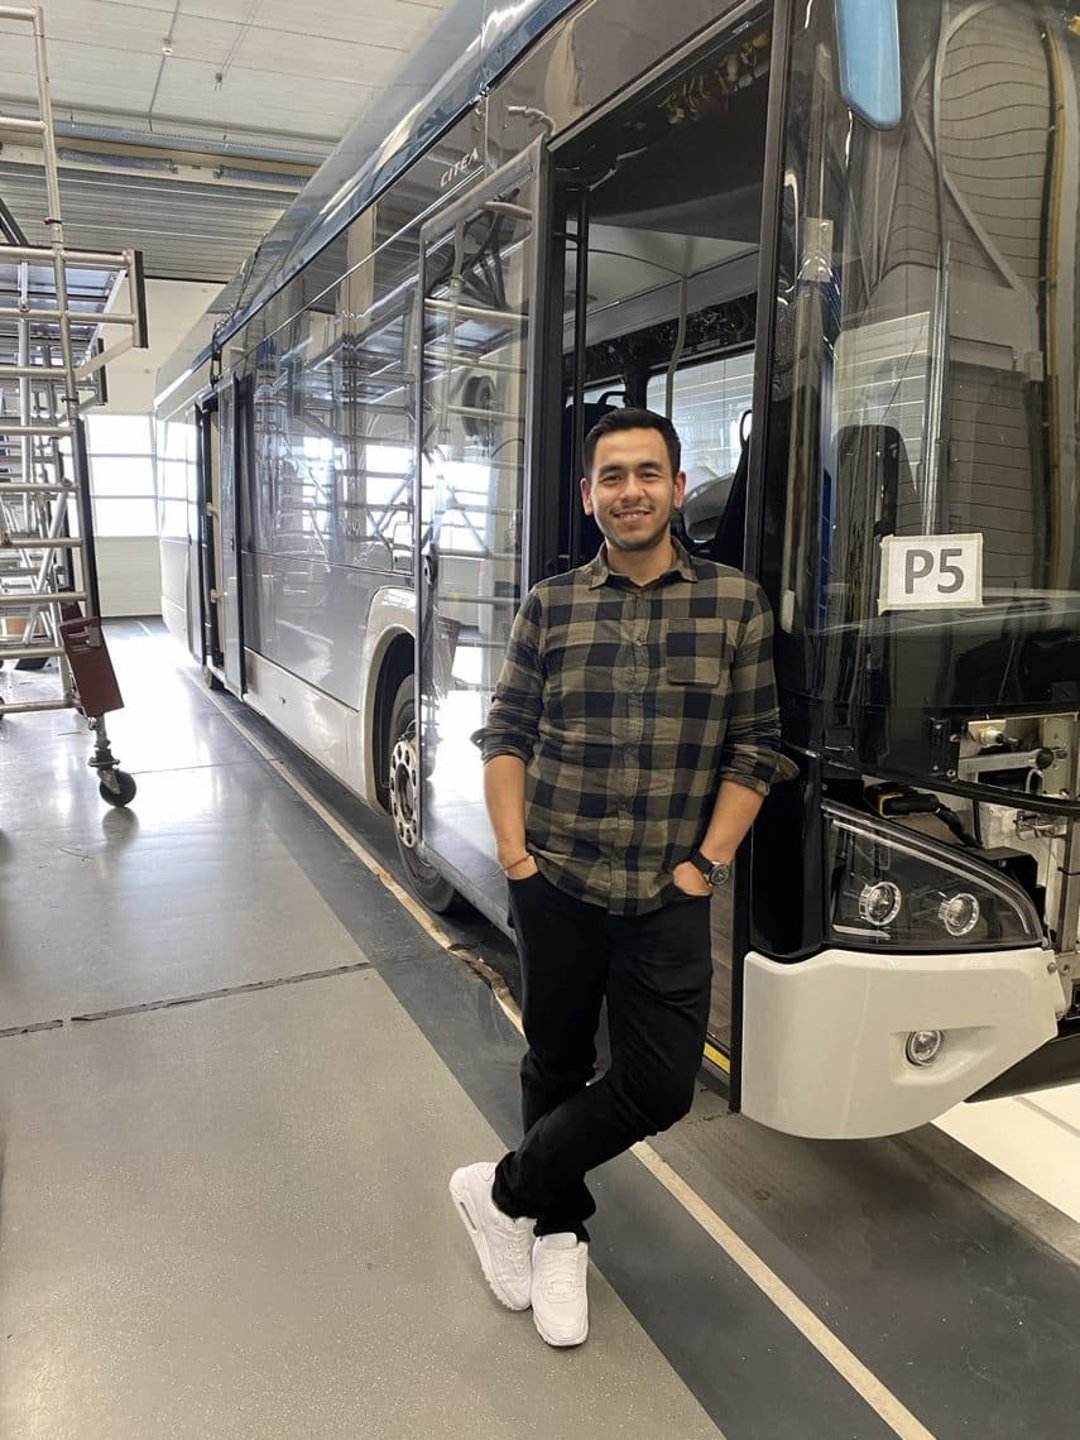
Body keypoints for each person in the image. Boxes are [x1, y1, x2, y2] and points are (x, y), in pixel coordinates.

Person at [449, 407, 781, 1347]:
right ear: (586, 496)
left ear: (678, 489)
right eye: (610, 476)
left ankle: (504, 1187)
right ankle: (559, 1231)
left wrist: (703, 866)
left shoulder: (734, 604)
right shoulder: (550, 607)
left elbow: (756, 750)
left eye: (648, 473)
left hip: (668, 893)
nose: (629, 491)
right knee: (555, 1059)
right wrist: (517, 861)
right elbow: (506, 734)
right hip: (557, 881)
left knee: (659, 1087)